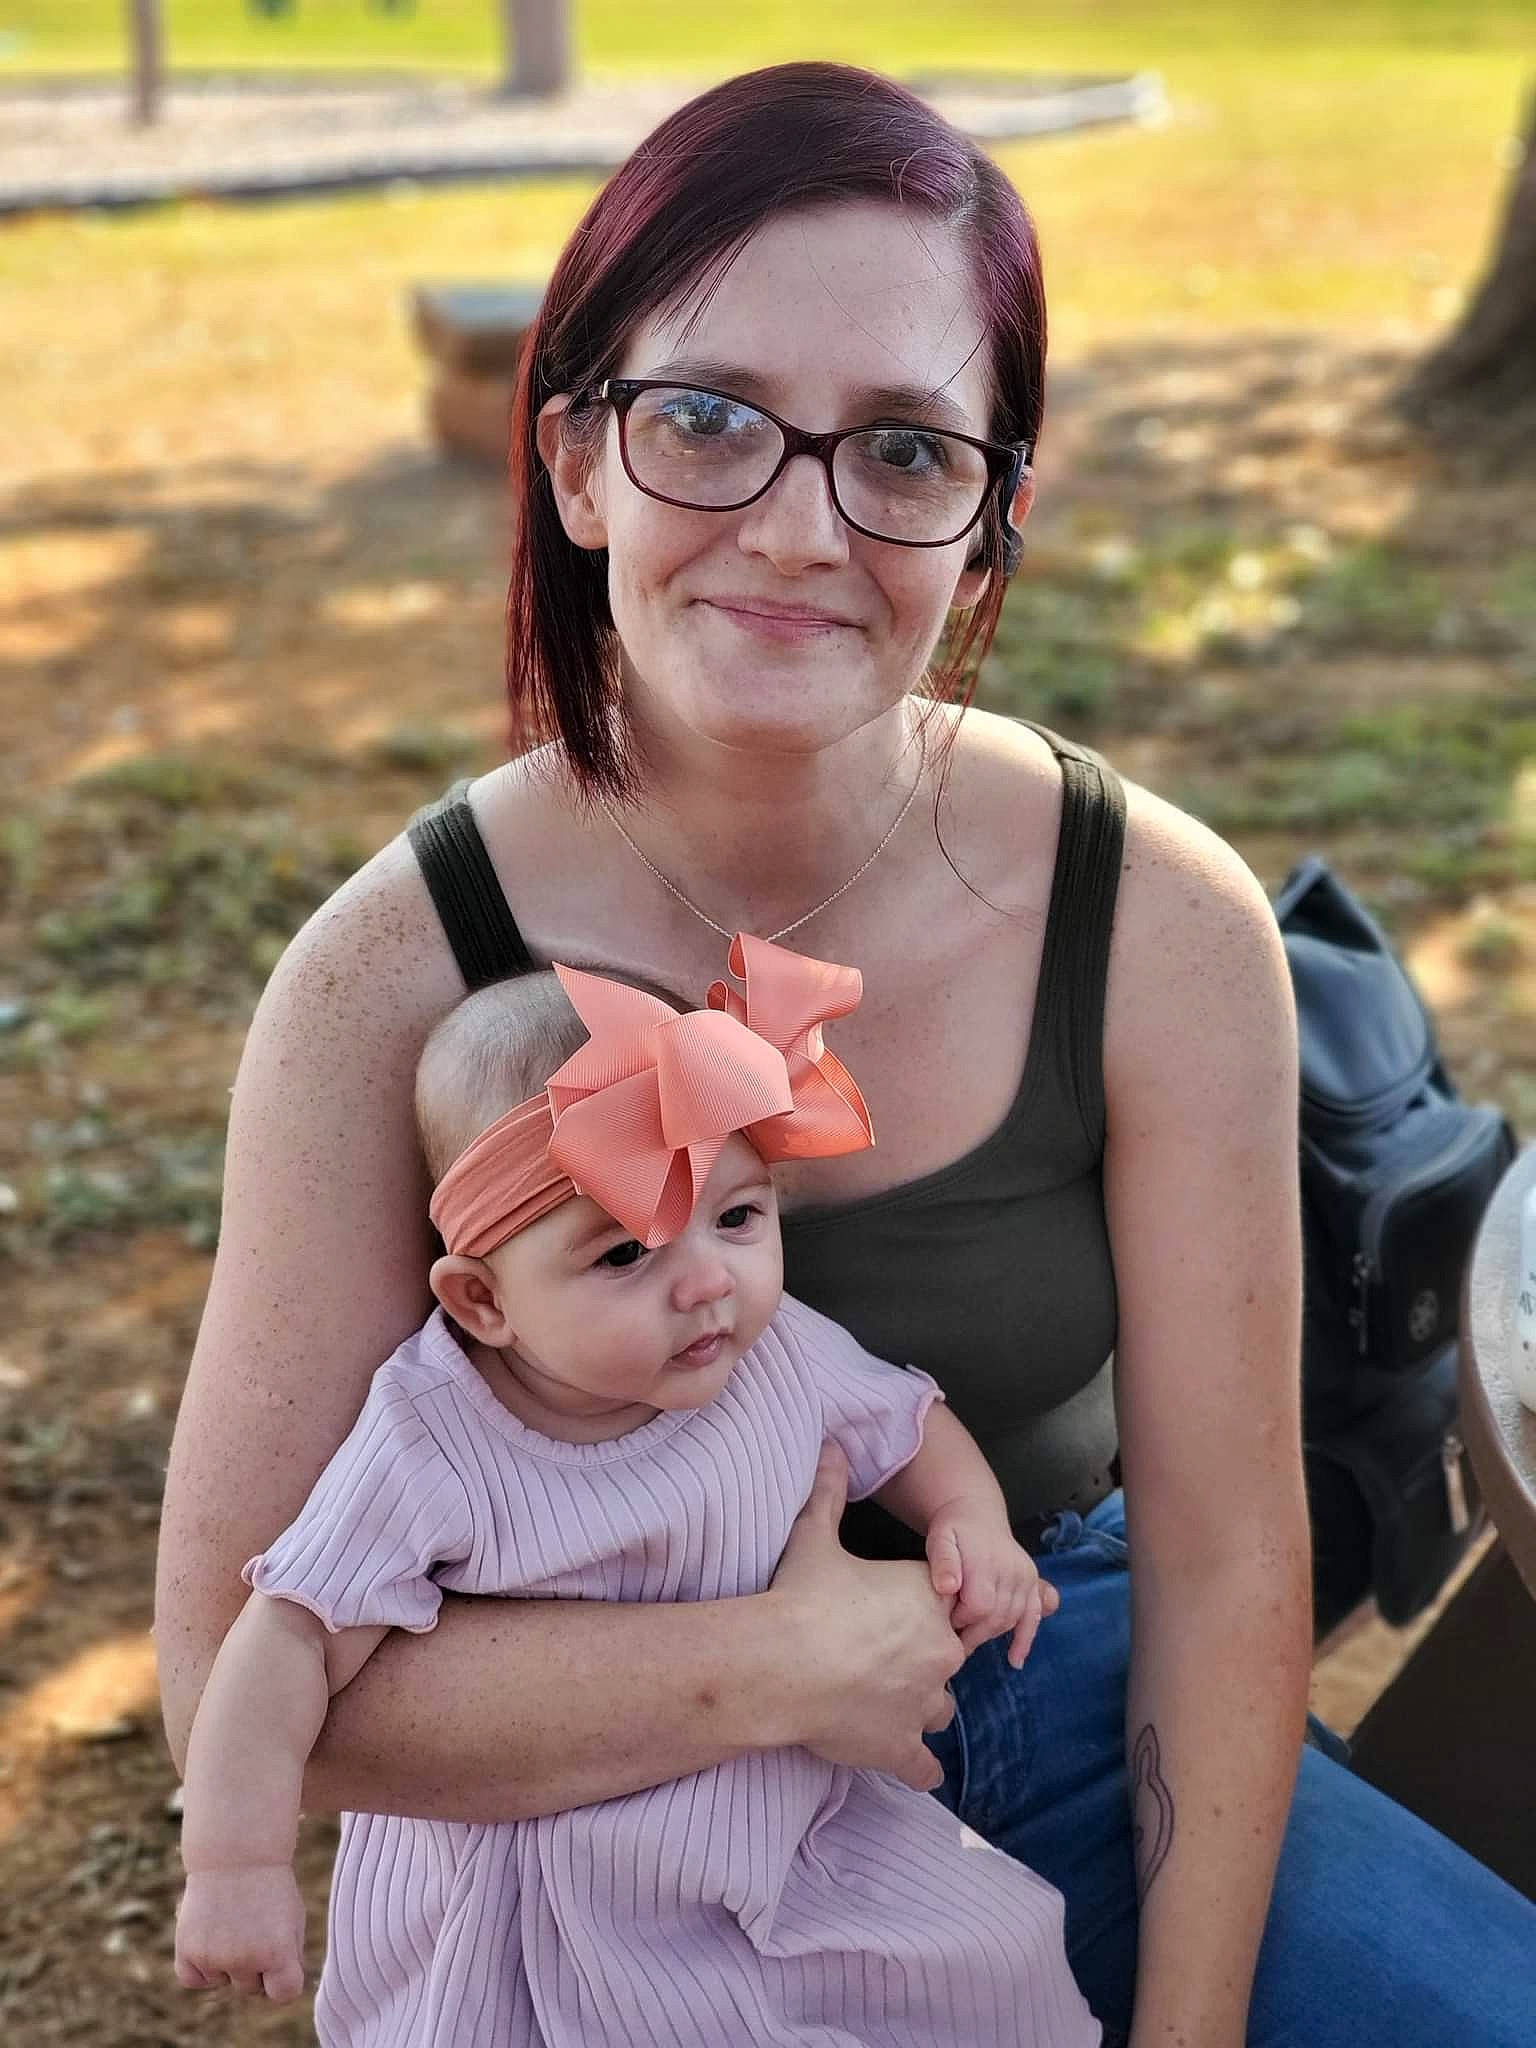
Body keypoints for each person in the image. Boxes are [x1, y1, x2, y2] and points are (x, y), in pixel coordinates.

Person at [155, 58, 1536, 2048]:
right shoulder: (385, 976)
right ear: (572, 465)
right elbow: (228, 1682)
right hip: (589, 1845)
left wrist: (1195, 2023)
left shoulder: (1157, 921)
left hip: (1069, 1719)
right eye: (709, 420)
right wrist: (782, 1667)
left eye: (902, 449)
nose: (803, 530)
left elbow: (1237, 1569)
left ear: (992, 526)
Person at [171, 948, 1100, 2044]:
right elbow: (287, 1634)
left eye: (739, 1217)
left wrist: (968, 1521)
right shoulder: (435, 1436)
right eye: (623, 1252)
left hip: (787, 1830)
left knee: (985, 1971)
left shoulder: (770, 1349)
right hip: (545, 1902)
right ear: (483, 1302)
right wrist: (233, 1861)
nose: (707, 1278)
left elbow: (902, 1419)